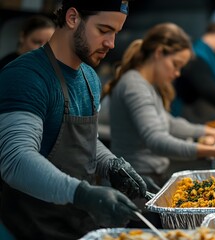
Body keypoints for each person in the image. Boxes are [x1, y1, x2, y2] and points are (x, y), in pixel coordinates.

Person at [0, 1, 148, 239]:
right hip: (32, 226)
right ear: (72, 18)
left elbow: (88, 142)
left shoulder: (89, 77)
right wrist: (82, 193)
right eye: (103, 30)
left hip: (77, 223)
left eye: (115, 33)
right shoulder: (26, 76)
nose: (111, 44)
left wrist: (113, 165)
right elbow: (16, 159)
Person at [102, 23, 215, 185]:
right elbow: (157, 140)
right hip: (135, 182)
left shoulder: (147, 85)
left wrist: (209, 131)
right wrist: (210, 151)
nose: (177, 73)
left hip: (148, 175)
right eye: (175, 64)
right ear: (159, 53)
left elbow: (169, 123)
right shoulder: (134, 85)